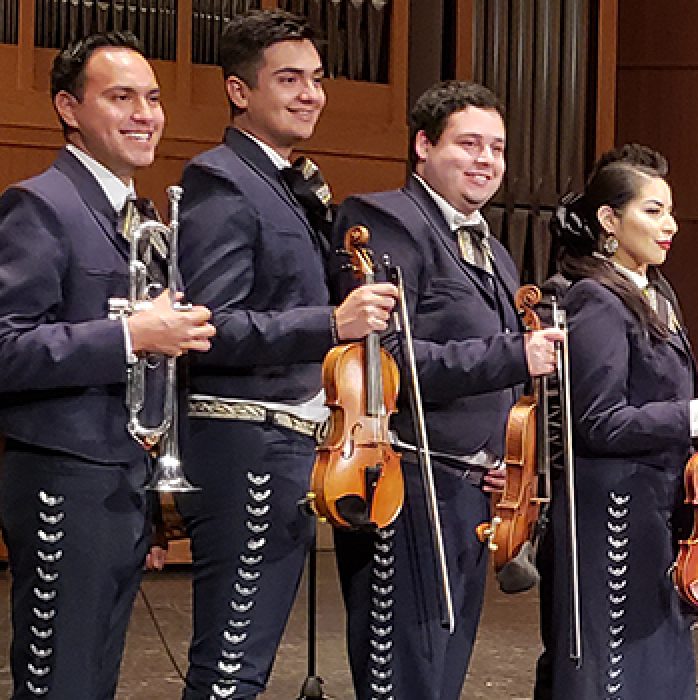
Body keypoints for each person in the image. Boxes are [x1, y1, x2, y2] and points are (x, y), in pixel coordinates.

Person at [175, 10, 399, 698]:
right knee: (230, 669)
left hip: (284, 444)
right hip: (241, 439)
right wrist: (331, 322)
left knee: (247, 665)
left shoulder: (289, 184)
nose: (311, 94)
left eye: (318, 80)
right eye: (290, 79)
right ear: (240, 91)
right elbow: (213, 326)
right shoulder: (222, 180)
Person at [331, 79, 563, 700]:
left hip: (471, 494)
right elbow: (388, 358)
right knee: (405, 680)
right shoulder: (385, 219)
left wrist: (505, 462)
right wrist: (514, 352)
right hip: (406, 484)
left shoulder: (490, 246)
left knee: (441, 680)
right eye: (468, 144)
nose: (485, 159)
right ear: (423, 147)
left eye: (497, 147)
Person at [0, 31, 215, 698]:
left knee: (95, 677)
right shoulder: (40, 204)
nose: (145, 114)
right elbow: (6, 347)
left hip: (122, 480)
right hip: (63, 476)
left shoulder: (137, 213)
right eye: (120, 97)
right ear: (69, 107)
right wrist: (132, 334)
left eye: (151, 98)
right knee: (60, 678)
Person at [540, 143, 698, 699]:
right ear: (610, 220)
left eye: (670, 211)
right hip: (611, 511)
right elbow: (599, 420)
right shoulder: (596, 298)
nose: (670, 225)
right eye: (652, 211)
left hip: (654, 509)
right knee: (614, 673)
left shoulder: (656, 292)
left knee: (661, 670)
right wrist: (696, 412)